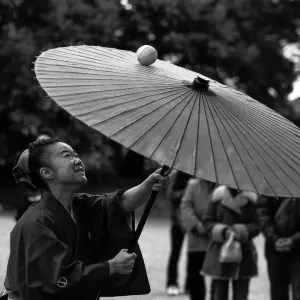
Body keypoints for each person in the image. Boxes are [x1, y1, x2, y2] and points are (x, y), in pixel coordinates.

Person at [3, 137, 169, 300]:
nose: (77, 160)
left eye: (75, 154)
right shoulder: (37, 222)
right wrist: (111, 266)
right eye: (67, 155)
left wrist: (148, 184)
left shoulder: (81, 205)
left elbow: (120, 204)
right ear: (46, 172)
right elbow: (56, 279)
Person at [202, 186, 259, 300]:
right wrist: (224, 231)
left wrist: (240, 230)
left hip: (243, 251)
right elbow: (207, 221)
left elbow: (257, 224)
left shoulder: (252, 199)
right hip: (219, 250)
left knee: (241, 294)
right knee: (218, 293)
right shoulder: (216, 196)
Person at [256, 195, 300, 300]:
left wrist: (293, 240)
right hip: (275, 250)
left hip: (298, 250)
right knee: (278, 293)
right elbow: (262, 215)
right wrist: (275, 239)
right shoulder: (268, 186)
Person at [180, 177, 215, 300]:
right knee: (195, 277)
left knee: (218, 280)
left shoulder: (224, 187)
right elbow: (185, 206)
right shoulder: (193, 185)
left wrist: (214, 227)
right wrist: (197, 225)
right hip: (197, 240)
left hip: (216, 239)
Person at [165, 170, 191, 296]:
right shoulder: (176, 175)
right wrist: (186, 191)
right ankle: (172, 283)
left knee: (194, 254)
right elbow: (170, 195)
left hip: (193, 220)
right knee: (175, 252)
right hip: (177, 220)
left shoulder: (200, 175)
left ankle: (189, 284)